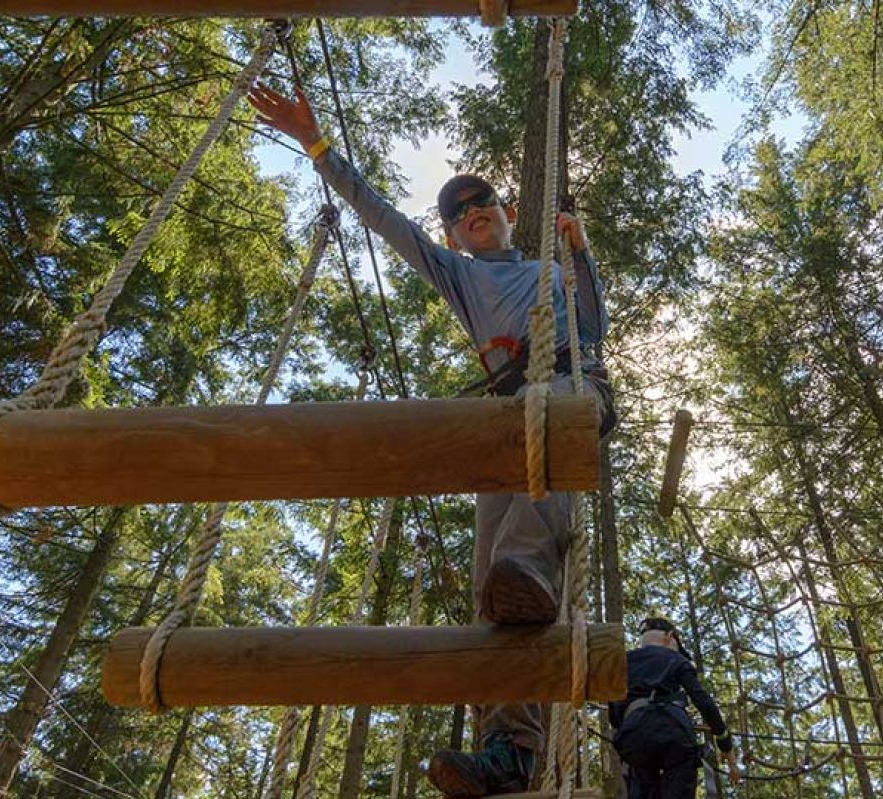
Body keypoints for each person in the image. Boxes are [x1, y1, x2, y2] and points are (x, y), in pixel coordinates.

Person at [249, 83, 614, 798]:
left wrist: (582, 254)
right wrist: (317, 147)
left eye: (483, 203)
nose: (472, 213)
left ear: (508, 214)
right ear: (451, 236)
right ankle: (508, 751)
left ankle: (528, 579)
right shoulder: (458, 274)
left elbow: (594, 328)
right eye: (457, 213)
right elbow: (387, 222)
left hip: (569, 387)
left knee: (525, 554)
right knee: (497, 592)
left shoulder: (550, 270)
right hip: (504, 413)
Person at [610, 618, 740, 799]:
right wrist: (725, 743)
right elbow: (704, 702)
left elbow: (614, 713)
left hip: (634, 735)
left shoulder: (622, 662)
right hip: (675, 732)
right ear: (670, 637)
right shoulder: (676, 659)